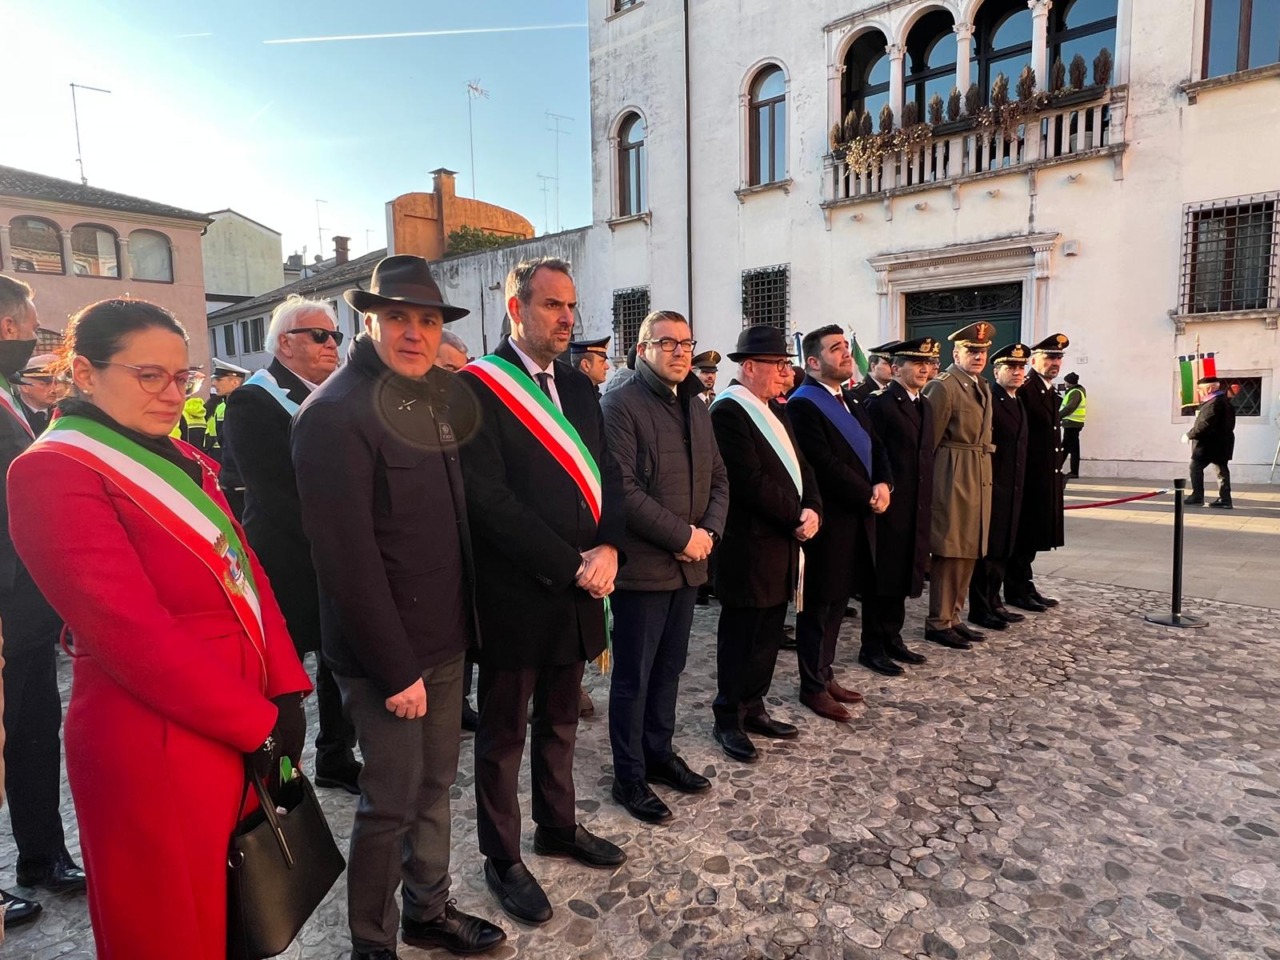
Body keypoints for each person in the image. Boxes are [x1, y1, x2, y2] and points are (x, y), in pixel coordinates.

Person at [7, 297, 312, 958]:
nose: (174, 394)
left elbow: (247, 575)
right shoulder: (51, 470)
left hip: (238, 717)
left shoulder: (171, 454)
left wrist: (285, 687)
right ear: (84, 373)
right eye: (151, 376)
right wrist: (253, 721)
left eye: (183, 377)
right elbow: (129, 633)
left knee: (243, 918)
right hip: (157, 741)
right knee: (173, 929)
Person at [292, 257, 506, 958]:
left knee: (435, 786)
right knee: (388, 804)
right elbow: (345, 562)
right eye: (399, 318)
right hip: (391, 658)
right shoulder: (334, 414)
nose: (415, 332)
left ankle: (427, 912)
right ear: (369, 320)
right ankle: (372, 943)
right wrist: (395, 670)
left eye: (428, 319)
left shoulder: (424, 397)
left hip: (445, 640)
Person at [458, 257, 627, 926]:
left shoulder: (582, 388)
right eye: (552, 305)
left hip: (582, 588)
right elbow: (487, 499)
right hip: (516, 593)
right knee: (502, 738)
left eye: (570, 306)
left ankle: (558, 825)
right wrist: (569, 563)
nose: (565, 318)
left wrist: (610, 546)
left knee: (560, 722)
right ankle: (503, 859)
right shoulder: (477, 389)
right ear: (516, 307)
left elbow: (608, 473)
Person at [222, 296, 361, 795]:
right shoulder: (252, 400)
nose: (332, 345)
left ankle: (335, 756)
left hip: (331, 550)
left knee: (334, 657)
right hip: (286, 555)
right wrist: (339, 535)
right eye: (320, 336)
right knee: (285, 673)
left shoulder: (338, 394)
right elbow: (274, 491)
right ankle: (279, 771)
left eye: (335, 336)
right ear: (285, 343)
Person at [601, 310, 727, 823]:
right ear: (643, 348)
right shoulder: (620, 405)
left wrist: (708, 535)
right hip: (644, 568)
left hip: (688, 566)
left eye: (686, 343)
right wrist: (683, 536)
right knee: (633, 676)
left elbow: (719, 476)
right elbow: (622, 489)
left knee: (671, 669)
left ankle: (659, 753)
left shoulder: (695, 403)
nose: (680, 352)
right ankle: (628, 775)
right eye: (667, 343)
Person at [709, 325, 821, 763]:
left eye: (786, 364)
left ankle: (754, 706)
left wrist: (812, 507)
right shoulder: (729, 412)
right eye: (778, 365)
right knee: (742, 636)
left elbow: (802, 467)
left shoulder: (775, 409)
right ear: (749, 367)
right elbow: (748, 480)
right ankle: (728, 717)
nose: (786, 373)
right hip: (749, 547)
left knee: (770, 633)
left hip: (783, 544)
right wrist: (795, 515)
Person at [0, 278, 74, 931]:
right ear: (6, 326)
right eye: (29, 324)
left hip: (29, 619)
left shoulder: (9, 400)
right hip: (4, 613)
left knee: (32, 739)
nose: (32, 335)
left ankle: (42, 856)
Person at [788, 325, 891, 722]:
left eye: (846, 347)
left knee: (837, 602)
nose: (846, 354)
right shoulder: (803, 404)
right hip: (829, 521)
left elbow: (875, 446)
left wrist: (885, 482)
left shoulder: (850, 398)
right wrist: (866, 493)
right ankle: (811, 685)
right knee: (818, 604)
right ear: (813, 362)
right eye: (836, 349)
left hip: (858, 518)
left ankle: (824, 673)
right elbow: (822, 464)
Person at [861, 338, 938, 677]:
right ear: (895, 368)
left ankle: (892, 637)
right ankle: (872, 646)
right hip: (890, 506)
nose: (924, 368)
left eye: (929, 363)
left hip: (916, 505)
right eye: (915, 362)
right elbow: (872, 454)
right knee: (884, 577)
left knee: (906, 572)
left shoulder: (925, 405)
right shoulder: (881, 404)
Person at [920, 322, 995, 651]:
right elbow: (929, 441)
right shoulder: (944, 386)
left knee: (970, 546)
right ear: (956, 353)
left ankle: (954, 615)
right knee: (950, 549)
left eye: (982, 351)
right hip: (952, 473)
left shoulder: (981, 385)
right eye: (972, 351)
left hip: (977, 471)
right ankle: (938, 620)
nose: (979, 357)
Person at [431, 330, 482, 733]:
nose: (457, 379)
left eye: (462, 371)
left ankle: (460, 700)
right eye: (449, 369)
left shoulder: (463, 410)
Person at [1005, 333, 1069, 612]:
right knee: (1024, 536)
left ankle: (1025, 583)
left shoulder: (1048, 389)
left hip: (1044, 475)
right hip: (1029, 476)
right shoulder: (1027, 389)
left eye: (1058, 358)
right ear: (1034, 360)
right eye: (1050, 357)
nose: (1055, 363)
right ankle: (1016, 588)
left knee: (1033, 536)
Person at [968, 343, 1030, 631]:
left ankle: (995, 601)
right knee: (988, 551)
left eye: (1021, 368)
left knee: (1004, 547)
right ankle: (981, 607)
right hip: (991, 484)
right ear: (997, 371)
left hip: (1012, 486)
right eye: (1011, 367)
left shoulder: (1017, 400)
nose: (1017, 373)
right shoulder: (990, 398)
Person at [1185, 375, 1236, 509]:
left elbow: (1205, 425)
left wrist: (1189, 435)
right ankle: (1225, 499)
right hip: (1222, 442)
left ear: (1208, 389)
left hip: (1209, 444)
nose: (1198, 392)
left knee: (1195, 467)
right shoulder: (1224, 401)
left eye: (1200, 390)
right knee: (1221, 470)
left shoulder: (1214, 404)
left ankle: (1197, 496)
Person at [202, 358, 248, 463]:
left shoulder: (245, 406)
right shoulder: (224, 405)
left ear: (235, 382)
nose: (213, 383)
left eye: (219, 379)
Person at [15, 353, 63, 435]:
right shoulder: (11, 414)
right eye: (45, 384)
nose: (54, 389)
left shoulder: (63, 413)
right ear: (24, 386)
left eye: (56, 383)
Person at [1060, 372, 1086, 478]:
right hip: (1071, 423)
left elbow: (1070, 407)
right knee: (1065, 447)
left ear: (1069, 382)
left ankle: (1074, 472)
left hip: (1072, 423)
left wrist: (1057, 416)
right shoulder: (1075, 391)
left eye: (1065, 381)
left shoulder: (1075, 392)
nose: (1064, 383)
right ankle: (1056, 468)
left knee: (1073, 448)